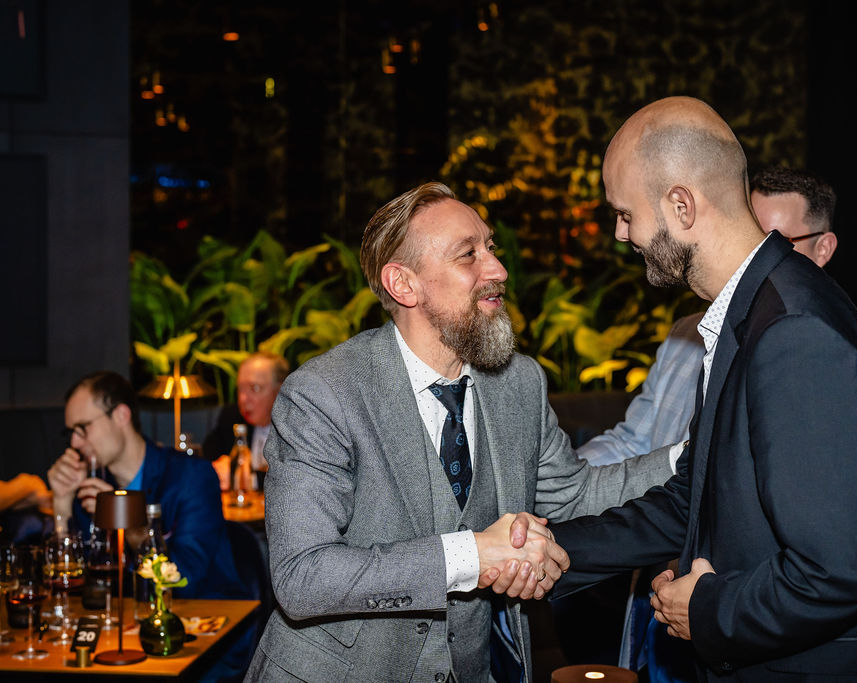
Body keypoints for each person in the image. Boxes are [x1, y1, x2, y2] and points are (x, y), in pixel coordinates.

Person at [549, 96, 857, 680]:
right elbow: (694, 496)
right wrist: (552, 554)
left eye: (625, 213)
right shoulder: (752, 308)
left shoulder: (793, 330)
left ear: (681, 205)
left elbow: (839, 573)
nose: (622, 233)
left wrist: (705, 608)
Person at [245, 182, 675, 683]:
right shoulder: (324, 393)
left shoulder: (518, 383)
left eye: (490, 247)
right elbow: (302, 577)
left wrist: (695, 451)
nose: (498, 270)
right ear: (403, 284)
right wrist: (472, 553)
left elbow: (576, 493)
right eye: (468, 254)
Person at [581, 165, 857, 577]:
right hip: (657, 580)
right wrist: (548, 481)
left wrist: (713, 603)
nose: (757, 255)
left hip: (771, 598)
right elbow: (637, 444)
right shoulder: (687, 336)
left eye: (778, 242)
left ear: (823, 249)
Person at [47, 371, 244, 600]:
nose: (74, 442)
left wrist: (129, 523)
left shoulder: (190, 477)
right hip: (132, 618)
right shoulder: (94, 486)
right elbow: (76, 587)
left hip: (207, 616)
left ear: (121, 415)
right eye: (71, 432)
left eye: (82, 428)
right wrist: (62, 504)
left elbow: (185, 582)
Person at [202, 351, 289, 490]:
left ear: (280, 390)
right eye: (240, 389)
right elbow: (206, 459)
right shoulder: (232, 418)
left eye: (254, 388)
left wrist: (245, 478)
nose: (243, 399)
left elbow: (289, 481)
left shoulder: (297, 428)